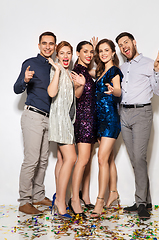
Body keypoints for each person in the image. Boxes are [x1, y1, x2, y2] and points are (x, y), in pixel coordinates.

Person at [115, 32, 159, 219]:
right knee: (135, 158)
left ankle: (141, 203)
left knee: (139, 158)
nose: (124, 47)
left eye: (126, 42)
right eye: (120, 45)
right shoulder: (121, 67)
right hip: (124, 113)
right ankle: (147, 200)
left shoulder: (149, 63)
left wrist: (157, 71)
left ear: (134, 42)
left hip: (142, 113)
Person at [14, 31, 57, 215]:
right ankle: (24, 201)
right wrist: (25, 80)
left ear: (55, 46)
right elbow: (16, 88)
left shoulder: (55, 67)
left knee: (43, 160)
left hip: (49, 118)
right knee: (31, 160)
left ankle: (38, 196)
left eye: (51, 44)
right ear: (39, 45)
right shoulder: (30, 62)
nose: (48, 46)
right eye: (44, 43)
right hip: (33, 116)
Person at [48, 41, 86, 219]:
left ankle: (58, 197)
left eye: (68, 53)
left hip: (69, 121)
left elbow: (76, 97)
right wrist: (56, 71)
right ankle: (61, 202)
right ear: (57, 55)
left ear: (72, 56)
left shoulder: (70, 73)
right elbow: (51, 92)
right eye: (62, 53)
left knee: (63, 159)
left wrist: (80, 84)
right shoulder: (56, 70)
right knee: (72, 157)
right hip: (59, 120)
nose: (65, 56)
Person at [91, 39, 123, 217]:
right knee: (109, 159)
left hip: (110, 120)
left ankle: (99, 201)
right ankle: (114, 193)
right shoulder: (100, 72)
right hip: (99, 121)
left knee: (101, 159)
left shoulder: (114, 71)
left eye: (106, 50)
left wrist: (114, 91)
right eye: (101, 51)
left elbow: (118, 90)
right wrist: (93, 49)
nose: (103, 53)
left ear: (113, 53)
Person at [68, 41, 97, 216]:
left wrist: (97, 50)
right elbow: (76, 96)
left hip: (92, 120)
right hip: (83, 120)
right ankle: (74, 199)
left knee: (88, 161)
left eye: (91, 52)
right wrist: (81, 84)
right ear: (78, 53)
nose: (89, 54)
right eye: (85, 51)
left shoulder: (87, 71)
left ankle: (85, 197)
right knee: (83, 160)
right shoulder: (77, 71)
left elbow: (100, 72)